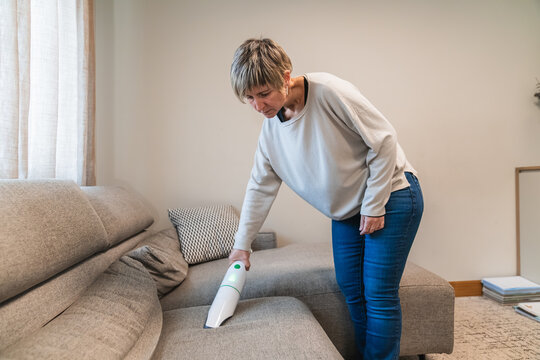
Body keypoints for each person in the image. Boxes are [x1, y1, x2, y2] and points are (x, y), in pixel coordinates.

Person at [227, 38, 423, 360]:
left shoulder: (330, 92)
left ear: (285, 76)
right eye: (249, 98)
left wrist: (374, 205)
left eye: (264, 94)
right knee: (353, 292)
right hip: (347, 213)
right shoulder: (271, 131)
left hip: (392, 197)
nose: (258, 106)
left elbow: (384, 140)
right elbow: (260, 186)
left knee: (378, 294)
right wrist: (242, 245)